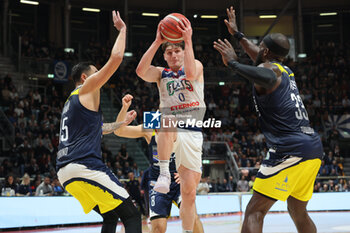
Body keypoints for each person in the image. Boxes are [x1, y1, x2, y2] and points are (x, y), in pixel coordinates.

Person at [213, 6, 323, 233]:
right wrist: (238, 35)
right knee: (298, 210)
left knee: (255, 210)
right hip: (312, 146)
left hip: (290, 147)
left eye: (260, 46)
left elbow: (262, 69)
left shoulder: (270, 71)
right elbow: (260, 58)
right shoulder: (284, 70)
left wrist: (233, 63)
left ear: (265, 51)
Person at [56, 11, 141, 233]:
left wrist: (121, 120)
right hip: (84, 166)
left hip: (65, 174)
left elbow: (100, 130)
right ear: (85, 78)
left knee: (110, 216)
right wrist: (123, 30)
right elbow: (116, 59)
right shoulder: (86, 89)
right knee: (132, 215)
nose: (99, 77)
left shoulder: (71, 103)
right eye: (95, 74)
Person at [136, 17, 205, 233]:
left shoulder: (196, 66)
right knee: (164, 119)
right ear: (164, 56)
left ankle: (186, 231)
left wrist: (188, 40)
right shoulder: (160, 73)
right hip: (171, 129)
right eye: (169, 52)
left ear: (183, 52)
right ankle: (164, 173)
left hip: (192, 131)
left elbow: (191, 74)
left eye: (177, 51)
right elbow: (140, 71)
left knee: (189, 194)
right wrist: (157, 42)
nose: (174, 55)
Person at [114, 94, 204, 233]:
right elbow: (119, 131)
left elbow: (196, 154)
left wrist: (189, 173)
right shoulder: (151, 127)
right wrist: (124, 108)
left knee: (193, 219)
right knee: (158, 227)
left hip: (179, 180)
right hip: (157, 181)